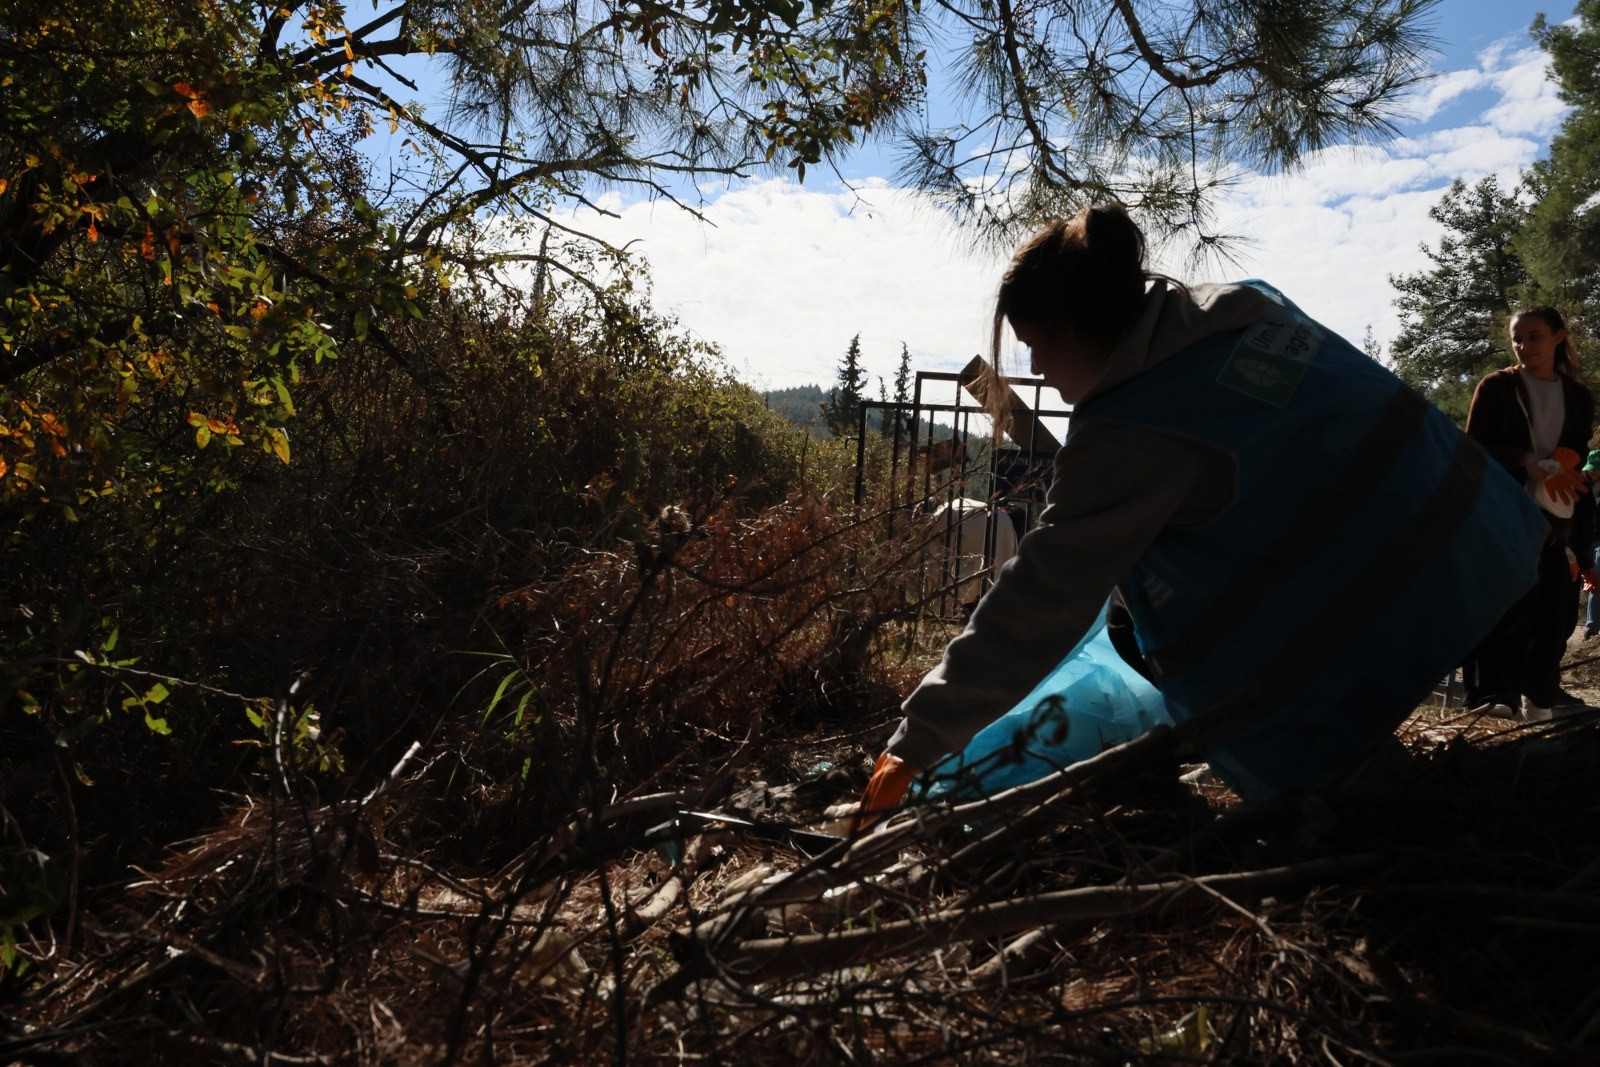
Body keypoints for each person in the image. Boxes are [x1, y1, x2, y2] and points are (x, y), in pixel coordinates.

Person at [856, 204, 1551, 819]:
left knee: (1141, 614)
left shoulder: (1135, 426)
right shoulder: (1232, 313)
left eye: (1037, 343)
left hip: (1416, 596)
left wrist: (914, 743)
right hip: (1492, 544)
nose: (1034, 368)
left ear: (1078, 327)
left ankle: (1342, 772)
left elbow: (1040, 596)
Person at [1459, 307, 1595, 720]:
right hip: (1504, 510)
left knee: (1553, 609)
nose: (1524, 345)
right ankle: (1490, 697)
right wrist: (1524, 459)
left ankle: (1541, 695)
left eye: (1534, 336)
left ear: (1558, 336)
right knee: (1503, 605)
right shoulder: (1498, 387)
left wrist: (1568, 467)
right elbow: (1474, 447)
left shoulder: (1576, 396)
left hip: (1554, 516)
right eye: (1518, 338)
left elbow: (1577, 458)